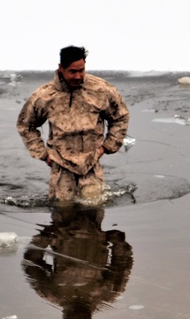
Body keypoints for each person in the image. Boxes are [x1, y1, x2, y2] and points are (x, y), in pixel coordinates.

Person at [17, 46, 129, 204]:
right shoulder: (45, 96)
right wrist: (44, 155)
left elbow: (121, 116)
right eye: (72, 71)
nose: (78, 76)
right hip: (61, 166)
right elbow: (25, 125)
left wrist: (107, 147)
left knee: (94, 209)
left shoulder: (100, 90)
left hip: (91, 164)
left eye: (81, 70)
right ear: (61, 68)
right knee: (63, 212)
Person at [22, 206, 133, 319]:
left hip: (63, 221)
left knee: (65, 199)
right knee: (92, 196)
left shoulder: (51, 293)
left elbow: (31, 262)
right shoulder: (107, 295)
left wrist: (44, 237)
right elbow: (123, 264)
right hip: (94, 219)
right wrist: (118, 241)